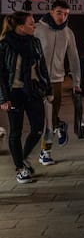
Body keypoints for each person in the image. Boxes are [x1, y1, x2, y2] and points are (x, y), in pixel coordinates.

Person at [0, 11, 52, 183]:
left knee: (38, 127)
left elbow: (42, 67)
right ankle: (20, 169)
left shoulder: (35, 42)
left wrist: (48, 89)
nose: (34, 26)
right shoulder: (4, 45)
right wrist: (3, 98)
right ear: (20, 27)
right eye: (31, 23)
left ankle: (22, 157)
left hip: (33, 90)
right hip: (14, 93)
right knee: (15, 132)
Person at [35, 0, 81, 165]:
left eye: (66, 14)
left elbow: (74, 58)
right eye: (59, 13)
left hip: (56, 80)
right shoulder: (37, 29)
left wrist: (77, 81)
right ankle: (59, 125)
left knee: (50, 115)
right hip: (38, 79)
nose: (62, 17)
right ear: (51, 11)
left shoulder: (68, 32)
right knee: (42, 117)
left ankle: (45, 151)